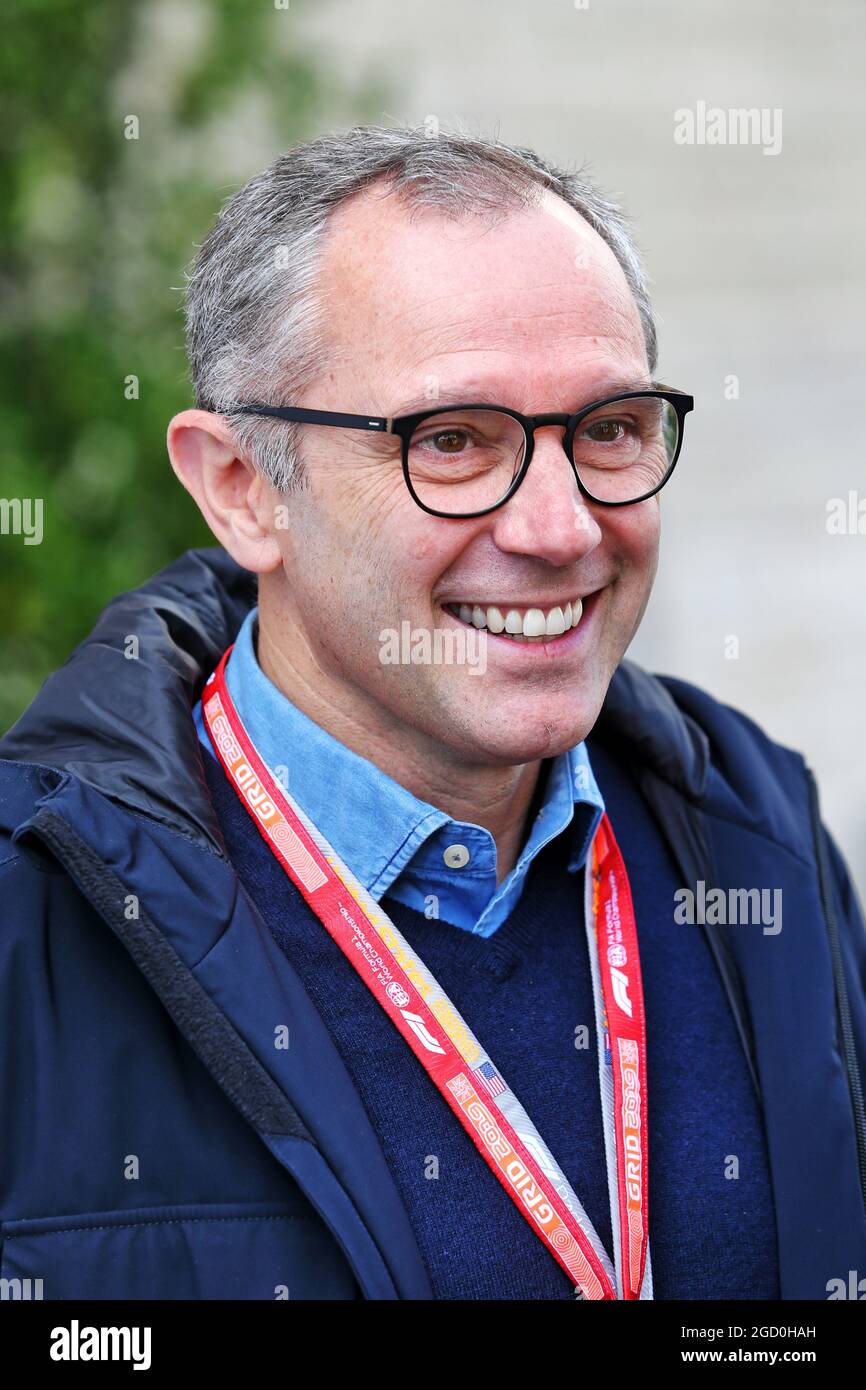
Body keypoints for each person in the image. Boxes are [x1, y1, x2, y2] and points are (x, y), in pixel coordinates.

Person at [1, 126, 864, 1302]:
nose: (558, 528)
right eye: (451, 442)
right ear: (242, 491)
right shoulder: (35, 922)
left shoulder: (756, 832)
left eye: (608, 428)